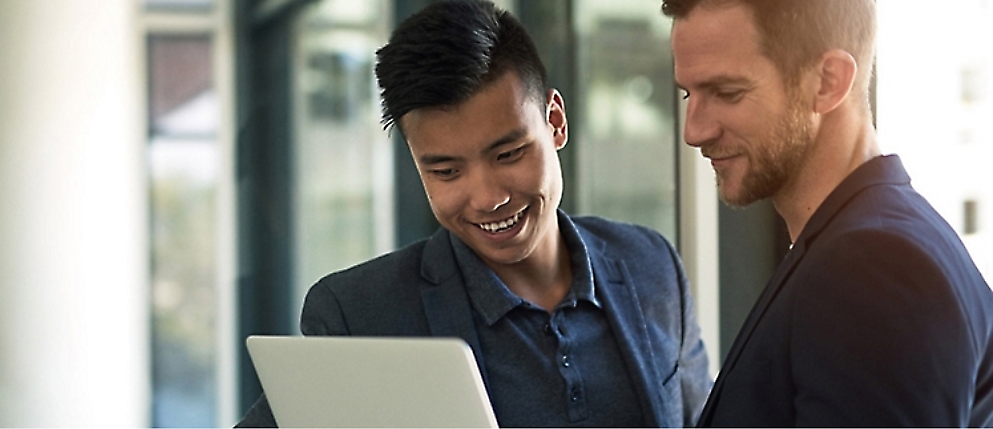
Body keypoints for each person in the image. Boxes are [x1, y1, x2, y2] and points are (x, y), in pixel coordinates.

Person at [236, 1, 712, 427]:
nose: (486, 198)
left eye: (508, 154)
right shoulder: (360, 315)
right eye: (446, 171)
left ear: (556, 122)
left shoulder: (652, 265)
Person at [663, 0, 993, 426]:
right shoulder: (880, 241)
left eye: (727, 93)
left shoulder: (873, 267)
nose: (694, 131)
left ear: (828, 82)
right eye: (690, 93)